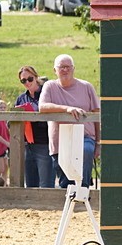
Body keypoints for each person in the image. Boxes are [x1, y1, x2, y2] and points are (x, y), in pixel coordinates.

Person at [39, 54, 100, 188]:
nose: (65, 70)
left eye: (68, 67)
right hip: (60, 141)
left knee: (86, 150)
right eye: (61, 67)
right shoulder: (50, 86)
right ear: (55, 70)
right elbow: (42, 107)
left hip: (85, 136)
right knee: (65, 182)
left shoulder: (86, 87)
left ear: (73, 69)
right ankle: (69, 201)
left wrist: (98, 142)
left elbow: (97, 115)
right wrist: (66, 109)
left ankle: (83, 189)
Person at [14, 65, 55, 188]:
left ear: (36, 77)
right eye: (23, 80)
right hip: (27, 145)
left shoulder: (47, 94)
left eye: (30, 79)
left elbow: (52, 118)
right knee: (30, 184)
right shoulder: (21, 98)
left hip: (44, 143)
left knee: (46, 184)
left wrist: (34, 116)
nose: (27, 82)